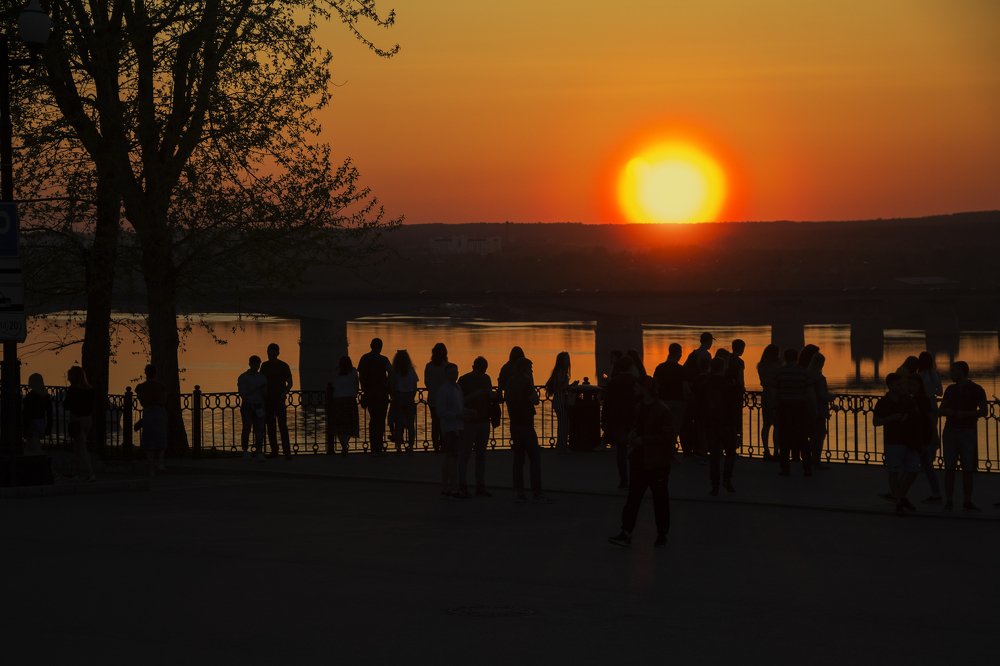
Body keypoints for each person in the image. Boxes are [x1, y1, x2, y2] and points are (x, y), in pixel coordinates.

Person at [608, 376, 674, 548]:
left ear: (645, 388)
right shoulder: (639, 407)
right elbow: (637, 426)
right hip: (639, 460)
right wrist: (633, 434)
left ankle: (662, 534)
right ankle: (626, 532)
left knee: (660, 500)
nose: (634, 389)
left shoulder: (662, 410)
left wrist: (643, 440)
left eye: (637, 386)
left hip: (657, 462)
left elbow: (666, 437)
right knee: (633, 499)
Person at [939, 361, 987, 511]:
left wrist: (963, 414)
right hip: (952, 431)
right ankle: (950, 500)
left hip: (966, 432)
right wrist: (947, 411)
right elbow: (941, 409)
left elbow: (984, 411)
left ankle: (966, 500)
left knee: (967, 468)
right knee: (950, 468)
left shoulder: (976, 389)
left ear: (961, 371)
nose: (950, 373)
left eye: (953, 371)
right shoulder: (950, 389)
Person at [873, 373, 922, 516]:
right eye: (899, 385)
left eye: (903, 384)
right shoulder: (883, 402)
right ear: (891, 386)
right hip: (893, 441)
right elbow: (876, 422)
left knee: (913, 470)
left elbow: (917, 414)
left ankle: (899, 497)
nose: (902, 387)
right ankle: (900, 501)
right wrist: (891, 418)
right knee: (894, 472)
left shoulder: (908, 400)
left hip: (910, 441)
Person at [505, 356, 550, 503]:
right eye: (530, 368)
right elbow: (535, 400)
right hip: (526, 423)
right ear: (525, 369)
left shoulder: (510, 382)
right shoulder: (526, 381)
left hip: (514, 423)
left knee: (518, 460)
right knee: (535, 458)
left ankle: (519, 492)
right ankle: (537, 492)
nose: (531, 371)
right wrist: (531, 383)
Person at [773, 348, 816, 477]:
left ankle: (785, 468)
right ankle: (807, 468)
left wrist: (775, 407)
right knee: (803, 438)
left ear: (785, 358)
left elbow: (776, 392)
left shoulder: (780, 372)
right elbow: (809, 392)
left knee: (784, 439)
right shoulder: (804, 372)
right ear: (796, 358)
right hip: (800, 408)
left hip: (784, 408)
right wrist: (812, 409)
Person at [458, 356, 494, 496]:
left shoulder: (486, 378)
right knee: (465, 454)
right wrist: (475, 394)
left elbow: (489, 396)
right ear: (473, 367)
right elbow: (459, 401)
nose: (481, 374)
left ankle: (480, 485)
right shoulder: (464, 380)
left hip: (484, 421)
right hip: (469, 423)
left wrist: (492, 395)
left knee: (481, 455)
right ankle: (462, 485)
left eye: (483, 371)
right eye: (479, 371)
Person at [706, 356, 740, 495]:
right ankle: (727, 480)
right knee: (730, 454)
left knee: (714, 456)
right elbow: (735, 405)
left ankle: (715, 485)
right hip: (728, 423)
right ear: (722, 368)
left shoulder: (707, 383)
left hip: (713, 424)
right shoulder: (729, 384)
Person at [603, 355, 638, 488]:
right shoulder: (635, 381)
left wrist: (604, 420)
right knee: (634, 450)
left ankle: (623, 480)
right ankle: (634, 479)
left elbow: (607, 402)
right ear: (630, 367)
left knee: (621, 451)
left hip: (617, 419)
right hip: (632, 418)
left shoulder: (613, 382)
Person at [916, 351, 943, 503]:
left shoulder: (919, 376)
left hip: (923, 403)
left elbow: (915, 390)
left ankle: (923, 460)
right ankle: (931, 457)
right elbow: (940, 392)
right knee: (933, 429)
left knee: (923, 430)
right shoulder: (935, 374)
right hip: (933, 403)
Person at [358, 338, 392, 456]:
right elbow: (391, 373)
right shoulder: (384, 359)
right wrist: (387, 385)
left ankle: (373, 447)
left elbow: (361, 376)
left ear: (370, 345)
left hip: (370, 394)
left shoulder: (364, 358)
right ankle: (379, 446)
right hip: (382, 394)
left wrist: (364, 389)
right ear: (381, 347)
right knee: (381, 420)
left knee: (373, 420)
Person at [260, 343, 293, 460]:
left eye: (273, 352)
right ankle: (275, 450)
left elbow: (290, 383)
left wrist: (284, 393)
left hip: (279, 400)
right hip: (268, 400)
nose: (271, 354)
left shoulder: (283, 366)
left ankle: (287, 451)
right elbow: (261, 382)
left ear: (278, 353)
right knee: (271, 426)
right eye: (269, 352)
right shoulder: (264, 366)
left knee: (282, 425)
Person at [436, 363, 465, 498]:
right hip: (449, 429)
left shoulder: (458, 388)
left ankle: (451, 487)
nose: (455, 375)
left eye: (456, 372)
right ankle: (449, 487)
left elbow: (459, 408)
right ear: (446, 375)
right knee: (450, 458)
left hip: (458, 427)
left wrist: (467, 413)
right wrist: (456, 416)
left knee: (454, 457)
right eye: (452, 373)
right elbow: (440, 412)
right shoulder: (444, 390)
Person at [652, 343, 686, 451]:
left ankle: (665, 449)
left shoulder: (660, 367)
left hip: (663, 402)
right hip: (678, 402)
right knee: (675, 428)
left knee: (663, 426)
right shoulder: (681, 369)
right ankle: (671, 449)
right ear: (679, 354)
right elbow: (685, 387)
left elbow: (655, 385)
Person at [135, 364, 169, 476]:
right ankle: (160, 463)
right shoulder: (161, 386)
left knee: (149, 439)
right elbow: (164, 400)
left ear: (146, 373)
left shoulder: (140, 387)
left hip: (148, 412)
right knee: (161, 438)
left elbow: (141, 400)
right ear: (155, 373)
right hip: (160, 412)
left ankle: (151, 468)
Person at [64, 366, 96, 481]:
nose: (68, 378)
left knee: (81, 447)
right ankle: (76, 472)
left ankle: (90, 473)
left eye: (69, 375)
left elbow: (67, 405)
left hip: (77, 420)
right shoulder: (90, 390)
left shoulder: (73, 390)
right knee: (77, 447)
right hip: (88, 419)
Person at [237, 355, 267, 460]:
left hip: (259, 405)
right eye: (255, 365)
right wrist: (255, 390)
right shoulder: (243, 377)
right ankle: (245, 450)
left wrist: (262, 392)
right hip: (247, 405)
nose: (257, 367)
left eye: (258, 365)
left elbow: (265, 393)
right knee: (247, 428)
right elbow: (242, 393)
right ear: (250, 364)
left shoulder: (262, 377)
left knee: (260, 429)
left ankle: (259, 451)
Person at [389, 349, 418, 453]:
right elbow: (415, 386)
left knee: (398, 423)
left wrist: (393, 397)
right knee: (410, 424)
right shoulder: (411, 371)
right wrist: (411, 396)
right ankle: (411, 446)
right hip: (409, 398)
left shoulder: (395, 371)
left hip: (398, 397)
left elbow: (392, 386)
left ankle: (398, 446)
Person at [807, 352, 834, 468]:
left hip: (808, 410)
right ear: (821, 364)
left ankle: (808, 458)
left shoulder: (807, 376)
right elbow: (822, 395)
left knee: (812, 436)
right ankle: (816, 460)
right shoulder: (820, 378)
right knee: (820, 435)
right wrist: (832, 397)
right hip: (819, 411)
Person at [756, 344, 781, 460]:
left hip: (766, 395)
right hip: (775, 396)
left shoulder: (761, 366)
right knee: (777, 425)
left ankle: (766, 450)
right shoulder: (777, 366)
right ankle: (776, 451)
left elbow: (764, 381)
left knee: (766, 425)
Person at [424, 342, 450, 453]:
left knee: (435, 422)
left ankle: (435, 446)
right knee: (444, 422)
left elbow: (426, 382)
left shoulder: (429, 366)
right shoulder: (447, 367)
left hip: (433, 398)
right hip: (445, 398)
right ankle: (444, 445)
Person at [545, 351, 573, 452]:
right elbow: (560, 387)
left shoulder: (558, 371)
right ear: (562, 361)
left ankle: (561, 445)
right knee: (563, 424)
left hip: (558, 400)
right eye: (566, 359)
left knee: (563, 423)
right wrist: (570, 386)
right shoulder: (561, 372)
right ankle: (562, 446)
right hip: (560, 399)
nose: (568, 361)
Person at [331, 356, 360, 454]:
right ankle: (345, 444)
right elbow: (357, 385)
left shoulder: (335, 372)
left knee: (340, 424)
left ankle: (343, 445)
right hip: (350, 400)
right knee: (350, 424)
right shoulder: (353, 372)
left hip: (338, 400)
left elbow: (332, 385)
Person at [22, 373, 52, 456]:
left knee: (32, 446)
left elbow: (27, 413)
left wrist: (25, 427)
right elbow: (49, 412)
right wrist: (49, 426)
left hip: (32, 422)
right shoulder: (45, 395)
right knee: (35, 444)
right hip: (41, 421)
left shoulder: (30, 396)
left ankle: (36, 459)